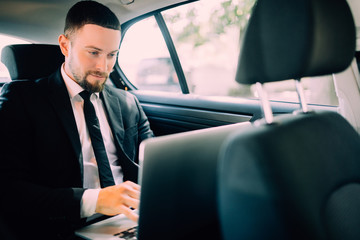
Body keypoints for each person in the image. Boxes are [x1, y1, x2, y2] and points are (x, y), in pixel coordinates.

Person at [0, 1, 153, 239]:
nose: (103, 67)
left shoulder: (127, 103)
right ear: (65, 45)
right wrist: (94, 201)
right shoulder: (21, 101)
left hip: (130, 223)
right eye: (93, 53)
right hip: (63, 229)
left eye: (112, 55)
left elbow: (152, 167)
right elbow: (8, 189)